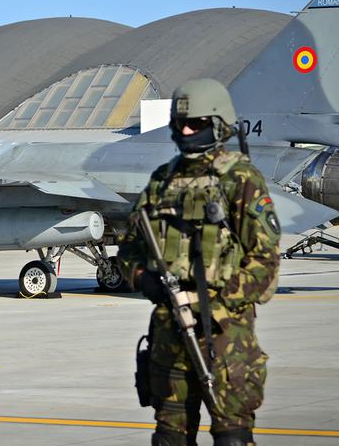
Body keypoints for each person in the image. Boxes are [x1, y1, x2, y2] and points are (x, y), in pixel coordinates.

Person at [118, 79, 280, 446]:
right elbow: (129, 249)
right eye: (181, 124)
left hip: (225, 336)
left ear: (220, 125)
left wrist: (219, 303)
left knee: (232, 437)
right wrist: (144, 279)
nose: (187, 131)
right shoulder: (162, 181)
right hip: (168, 330)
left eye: (198, 123)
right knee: (169, 437)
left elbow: (265, 263)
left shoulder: (239, 178)